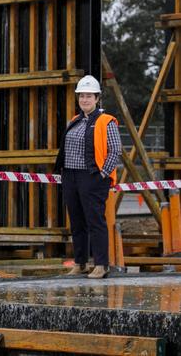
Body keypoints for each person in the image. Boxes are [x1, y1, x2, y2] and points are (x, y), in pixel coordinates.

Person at [54, 75, 121, 279]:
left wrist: (102, 175)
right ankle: (81, 263)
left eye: (89, 96)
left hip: (91, 177)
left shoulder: (105, 121)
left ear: (97, 98)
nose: (84, 99)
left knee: (95, 221)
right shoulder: (75, 121)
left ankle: (101, 264)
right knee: (76, 222)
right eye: (81, 96)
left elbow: (115, 150)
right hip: (71, 176)